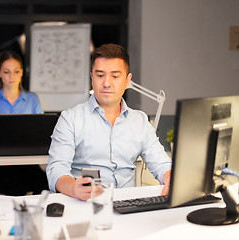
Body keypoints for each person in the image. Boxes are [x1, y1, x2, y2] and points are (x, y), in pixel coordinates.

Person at [46, 43, 172, 201]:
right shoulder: (70, 119)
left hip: (128, 207)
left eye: (115, 76)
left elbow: (162, 164)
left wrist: (169, 178)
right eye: (100, 75)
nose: (106, 83)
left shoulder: (140, 121)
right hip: (85, 205)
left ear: (127, 81)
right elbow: (56, 169)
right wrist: (73, 188)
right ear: (92, 77)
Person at [0, 50, 48, 196]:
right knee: (14, 185)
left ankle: (27, 214)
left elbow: (40, 133)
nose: (12, 76)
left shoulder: (32, 99)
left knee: (46, 182)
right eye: (6, 72)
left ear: (22, 73)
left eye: (16, 71)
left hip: (26, 162)